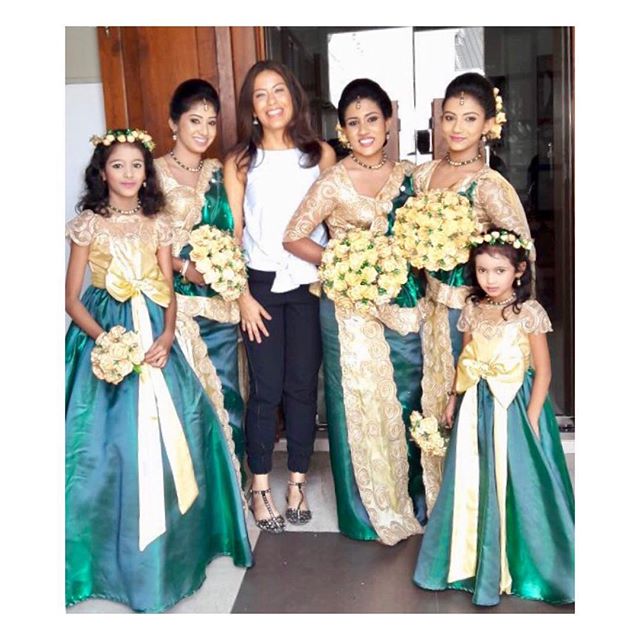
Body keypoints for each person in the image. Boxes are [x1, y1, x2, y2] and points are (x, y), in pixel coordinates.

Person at [65, 129, 253, 612]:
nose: (129, 175)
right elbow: (71, 299)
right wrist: (104, 338)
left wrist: (168, 335)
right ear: (101, 172)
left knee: (186, 427)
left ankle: (182, 544)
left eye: (136, 166)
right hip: (106, 326)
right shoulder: (89, 224)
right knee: (111, 443)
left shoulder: (158, 221)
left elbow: (168, 286)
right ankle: (109, 555)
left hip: (155, 328)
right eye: (118, 166)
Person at [283, 78, 426, 546]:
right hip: (347, 309)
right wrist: (343, 262)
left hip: (403, 304)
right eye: (352, 122)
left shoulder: (411, 176)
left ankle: (414, 501)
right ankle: (365, 513)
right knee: (356, 406)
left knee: (407, 399)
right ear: (342, 131)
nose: (363, 129)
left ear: (388, 122)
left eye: (372, 118)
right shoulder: (333, 182)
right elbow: (294, 235)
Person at [413, 230, 574, 606]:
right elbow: (465, 359)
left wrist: (533, 417)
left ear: (518, 271)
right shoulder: (472, 309)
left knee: (521, 481)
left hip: (515, 406)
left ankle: (529, 565)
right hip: (475, 404)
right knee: (473, 477)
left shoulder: (529, 313)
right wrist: (454, 399)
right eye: (483, 270)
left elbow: (544, 371)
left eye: (499, 270)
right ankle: (469, 563)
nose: (490, 278)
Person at [224, 60, 336, 532]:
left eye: (279, 92)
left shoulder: (321, 155)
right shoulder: (240, 161)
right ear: (252, 108)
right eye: (260, 95)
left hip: (310, 284)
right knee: (266, 391)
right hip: (263, 287)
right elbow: (234, 235)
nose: (271, 102)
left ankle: (296, 481)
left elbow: (335, 222)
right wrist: (243, 296)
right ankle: (258, 487)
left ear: (293, 97)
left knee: (301, 388)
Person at [412, 72, 535, 451]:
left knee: (464, 397)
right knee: (430, 394)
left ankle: (469, 497)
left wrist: (502, 314)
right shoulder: (424, 175)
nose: (457, 127)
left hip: (469, 312)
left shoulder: (489, 186)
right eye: (449, 116)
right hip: (427, 305)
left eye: (469, 118)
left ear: (487, 125)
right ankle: (436, 496)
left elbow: (523, 252)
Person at [155, 79, 246, 481]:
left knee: (227, 395)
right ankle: (195, 497)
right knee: (186, 400)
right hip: (175, 304)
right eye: (195, 120)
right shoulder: (151, 173)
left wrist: (227, 270)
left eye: (211, 122)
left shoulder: (218, 171)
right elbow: (139, 239)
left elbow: (234, 230)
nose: (204, 131)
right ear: (173, 123)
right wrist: (183, 267)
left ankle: (230, 485)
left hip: (220, 305)